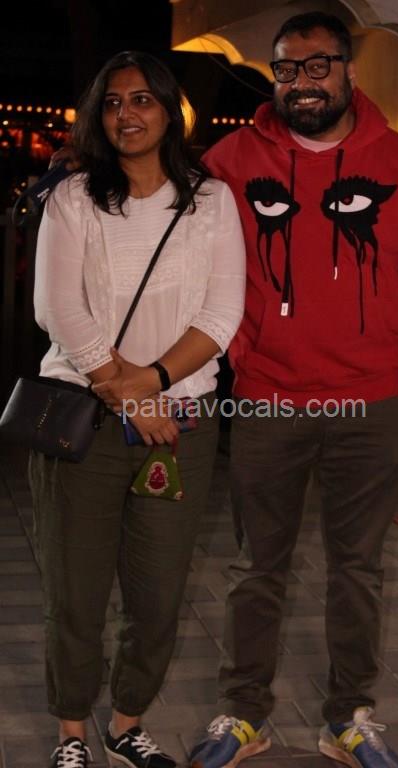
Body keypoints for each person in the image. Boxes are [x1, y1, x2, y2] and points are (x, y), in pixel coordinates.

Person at [188, 11, 398, 768]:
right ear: (273, 77)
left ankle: (349, 717)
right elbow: (199, 269)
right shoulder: (230, 162)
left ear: (347, 71)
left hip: (374, 407)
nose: (302, 82)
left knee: (358, 570)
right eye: (286, 69)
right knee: (255, 569)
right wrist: (242, 356)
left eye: (317, 66)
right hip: (268, 400)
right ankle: (245, 713)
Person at [29, 50, 245, 768]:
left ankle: (126, 723)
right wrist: (125, 395)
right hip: (84, 425)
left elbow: (220, 315)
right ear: (98, 115)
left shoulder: (212, 202)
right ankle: (71, 733)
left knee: (157, 593)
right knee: (77, 593)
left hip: (178, 424)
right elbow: (58, 308)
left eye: (143, 99)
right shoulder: (73, 198)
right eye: (114, 102)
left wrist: (149, 385)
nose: (127, 114)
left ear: (170, 111)